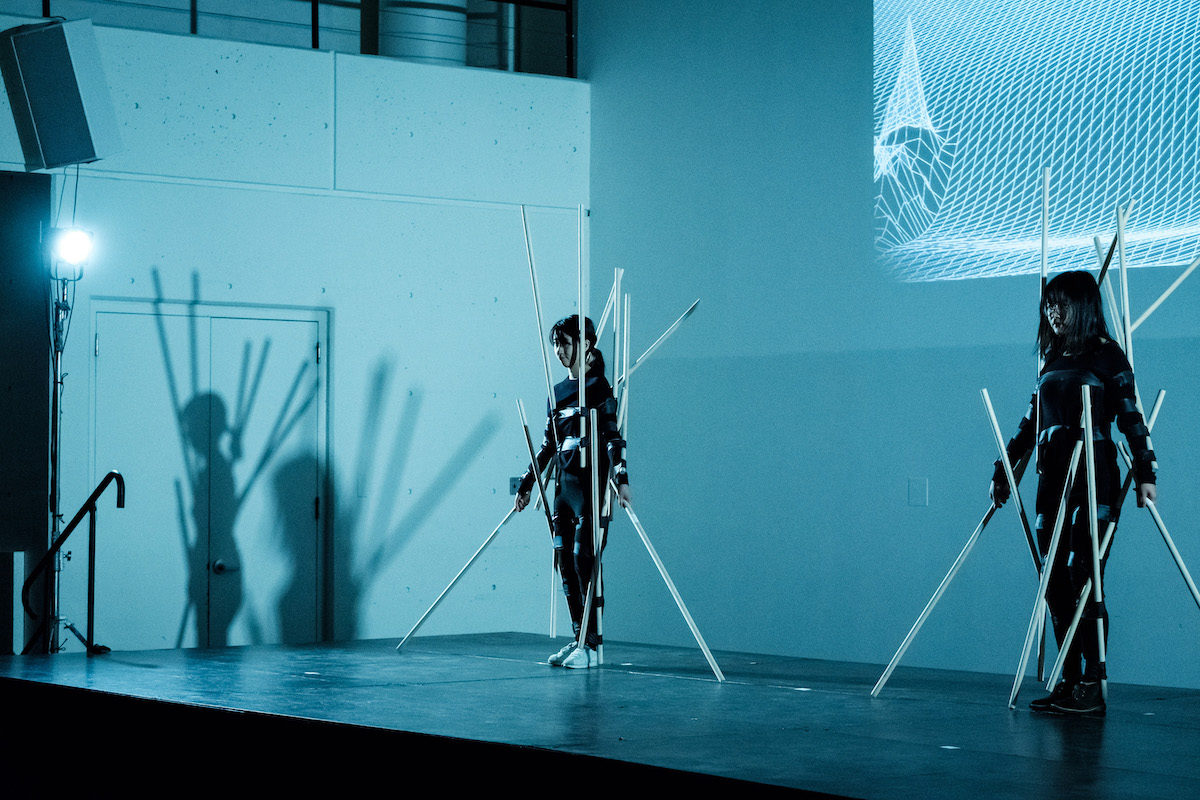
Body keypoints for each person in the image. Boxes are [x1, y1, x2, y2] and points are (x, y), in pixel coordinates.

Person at [991, 270, 1156, 716]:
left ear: (1082, 306)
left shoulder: (1107, 356)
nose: (1052, 312)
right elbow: (1031, 424)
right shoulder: (1053, 359)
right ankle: (1067, 675)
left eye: (1060, 304)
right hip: (1051, 480)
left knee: (1087, 577)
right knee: (1053, 580)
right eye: (1048, 305)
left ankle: (1091, 682)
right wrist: (1005, 471)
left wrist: (1145, 470)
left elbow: (1130, 415)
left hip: (1093, 478)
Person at [515, 315, 631, 669]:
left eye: (566, 343)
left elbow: (613, 436)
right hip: (563, 489)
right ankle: (578, 636)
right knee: (564, 563)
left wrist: (622, 479)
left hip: (591, 488)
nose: (559, 351)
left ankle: (592, 646)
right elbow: (548, 445)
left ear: (586, 345)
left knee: (585, 561)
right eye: (556, 345)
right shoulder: (557, 393)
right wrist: (527, 483)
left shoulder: (598, 387)